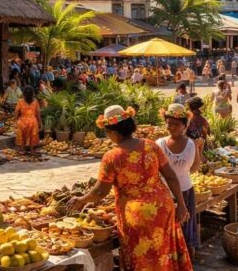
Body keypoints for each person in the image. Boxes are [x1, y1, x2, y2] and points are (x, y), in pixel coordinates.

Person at [68, 105, 192, 270]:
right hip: (162, 208)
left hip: (135, 216)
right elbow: (171, 176)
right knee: (163, 253)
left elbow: (100, 191)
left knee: (142, 258)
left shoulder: (112, 157)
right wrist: (182, 205)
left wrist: (82, 200)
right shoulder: (151, 145)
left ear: (113, 132)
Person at [156, 103, 203, 257]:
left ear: (185, 125)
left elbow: (196, 166)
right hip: (165, 195)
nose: (171, 127)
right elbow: (193, 168)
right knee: (171, 229)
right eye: (169, 124)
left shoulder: (192, 144)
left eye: (176, 124)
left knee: (186, 228)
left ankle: (187, 261)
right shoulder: (159, 144)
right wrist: (181, 170)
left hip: (185, 193)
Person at [13, 86, 41, 155]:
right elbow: (38, 113)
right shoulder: (35, 101)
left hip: (22, 121)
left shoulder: (20, 101)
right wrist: (40, 122)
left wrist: (15, 121)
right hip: (33, 121)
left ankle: (22, 150)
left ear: (24, 93)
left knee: (22, 135)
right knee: (32, 136)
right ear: (32, 93)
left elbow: (16, 112)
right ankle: (32, 150)